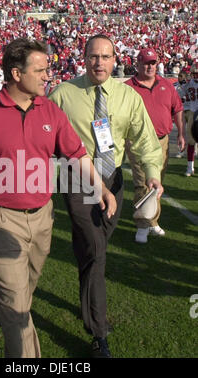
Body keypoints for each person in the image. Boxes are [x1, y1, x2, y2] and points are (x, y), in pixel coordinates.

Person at [0, 38, 116, 358]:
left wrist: (100, 187)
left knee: (22, 296)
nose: (48, 75)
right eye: (41, 70)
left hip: (43, 217)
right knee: (16, 307)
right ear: (16, 74)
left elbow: (76, 153)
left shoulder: (51, 111)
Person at [49, 34, 163, 357]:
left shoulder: (128, 97)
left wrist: (153, 175)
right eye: (93, 56)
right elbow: (42, 136)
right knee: (96, 250)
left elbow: (145, 140)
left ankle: (89, 313)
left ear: (115, 60)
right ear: (83, 58)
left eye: (106, 56)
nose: (99, 62)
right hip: (77, 181)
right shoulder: (63, 94)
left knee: (91, 253)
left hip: (114, 182)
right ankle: (99, 335)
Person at [124, 48, 185, 243]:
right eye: (146, 63)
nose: (150, 66)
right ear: (138, 64)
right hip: (138, 142)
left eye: (153, 63)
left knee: (157, 184)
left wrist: (182, 133)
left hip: (163, 140)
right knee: (143, 182)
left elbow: (178, 110)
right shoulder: (127, 87)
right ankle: (143, 226)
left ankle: (152, 221)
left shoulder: (167, 85)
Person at [178, 62, 198, 176]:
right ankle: (190, 167)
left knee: (192, 141)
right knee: (191, 141)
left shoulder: (187, 84)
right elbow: (180, 95)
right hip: (192, 113)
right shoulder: (187, 84)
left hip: (193, 112)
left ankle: (190, 168)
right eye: (195, 74)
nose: (196, 77)